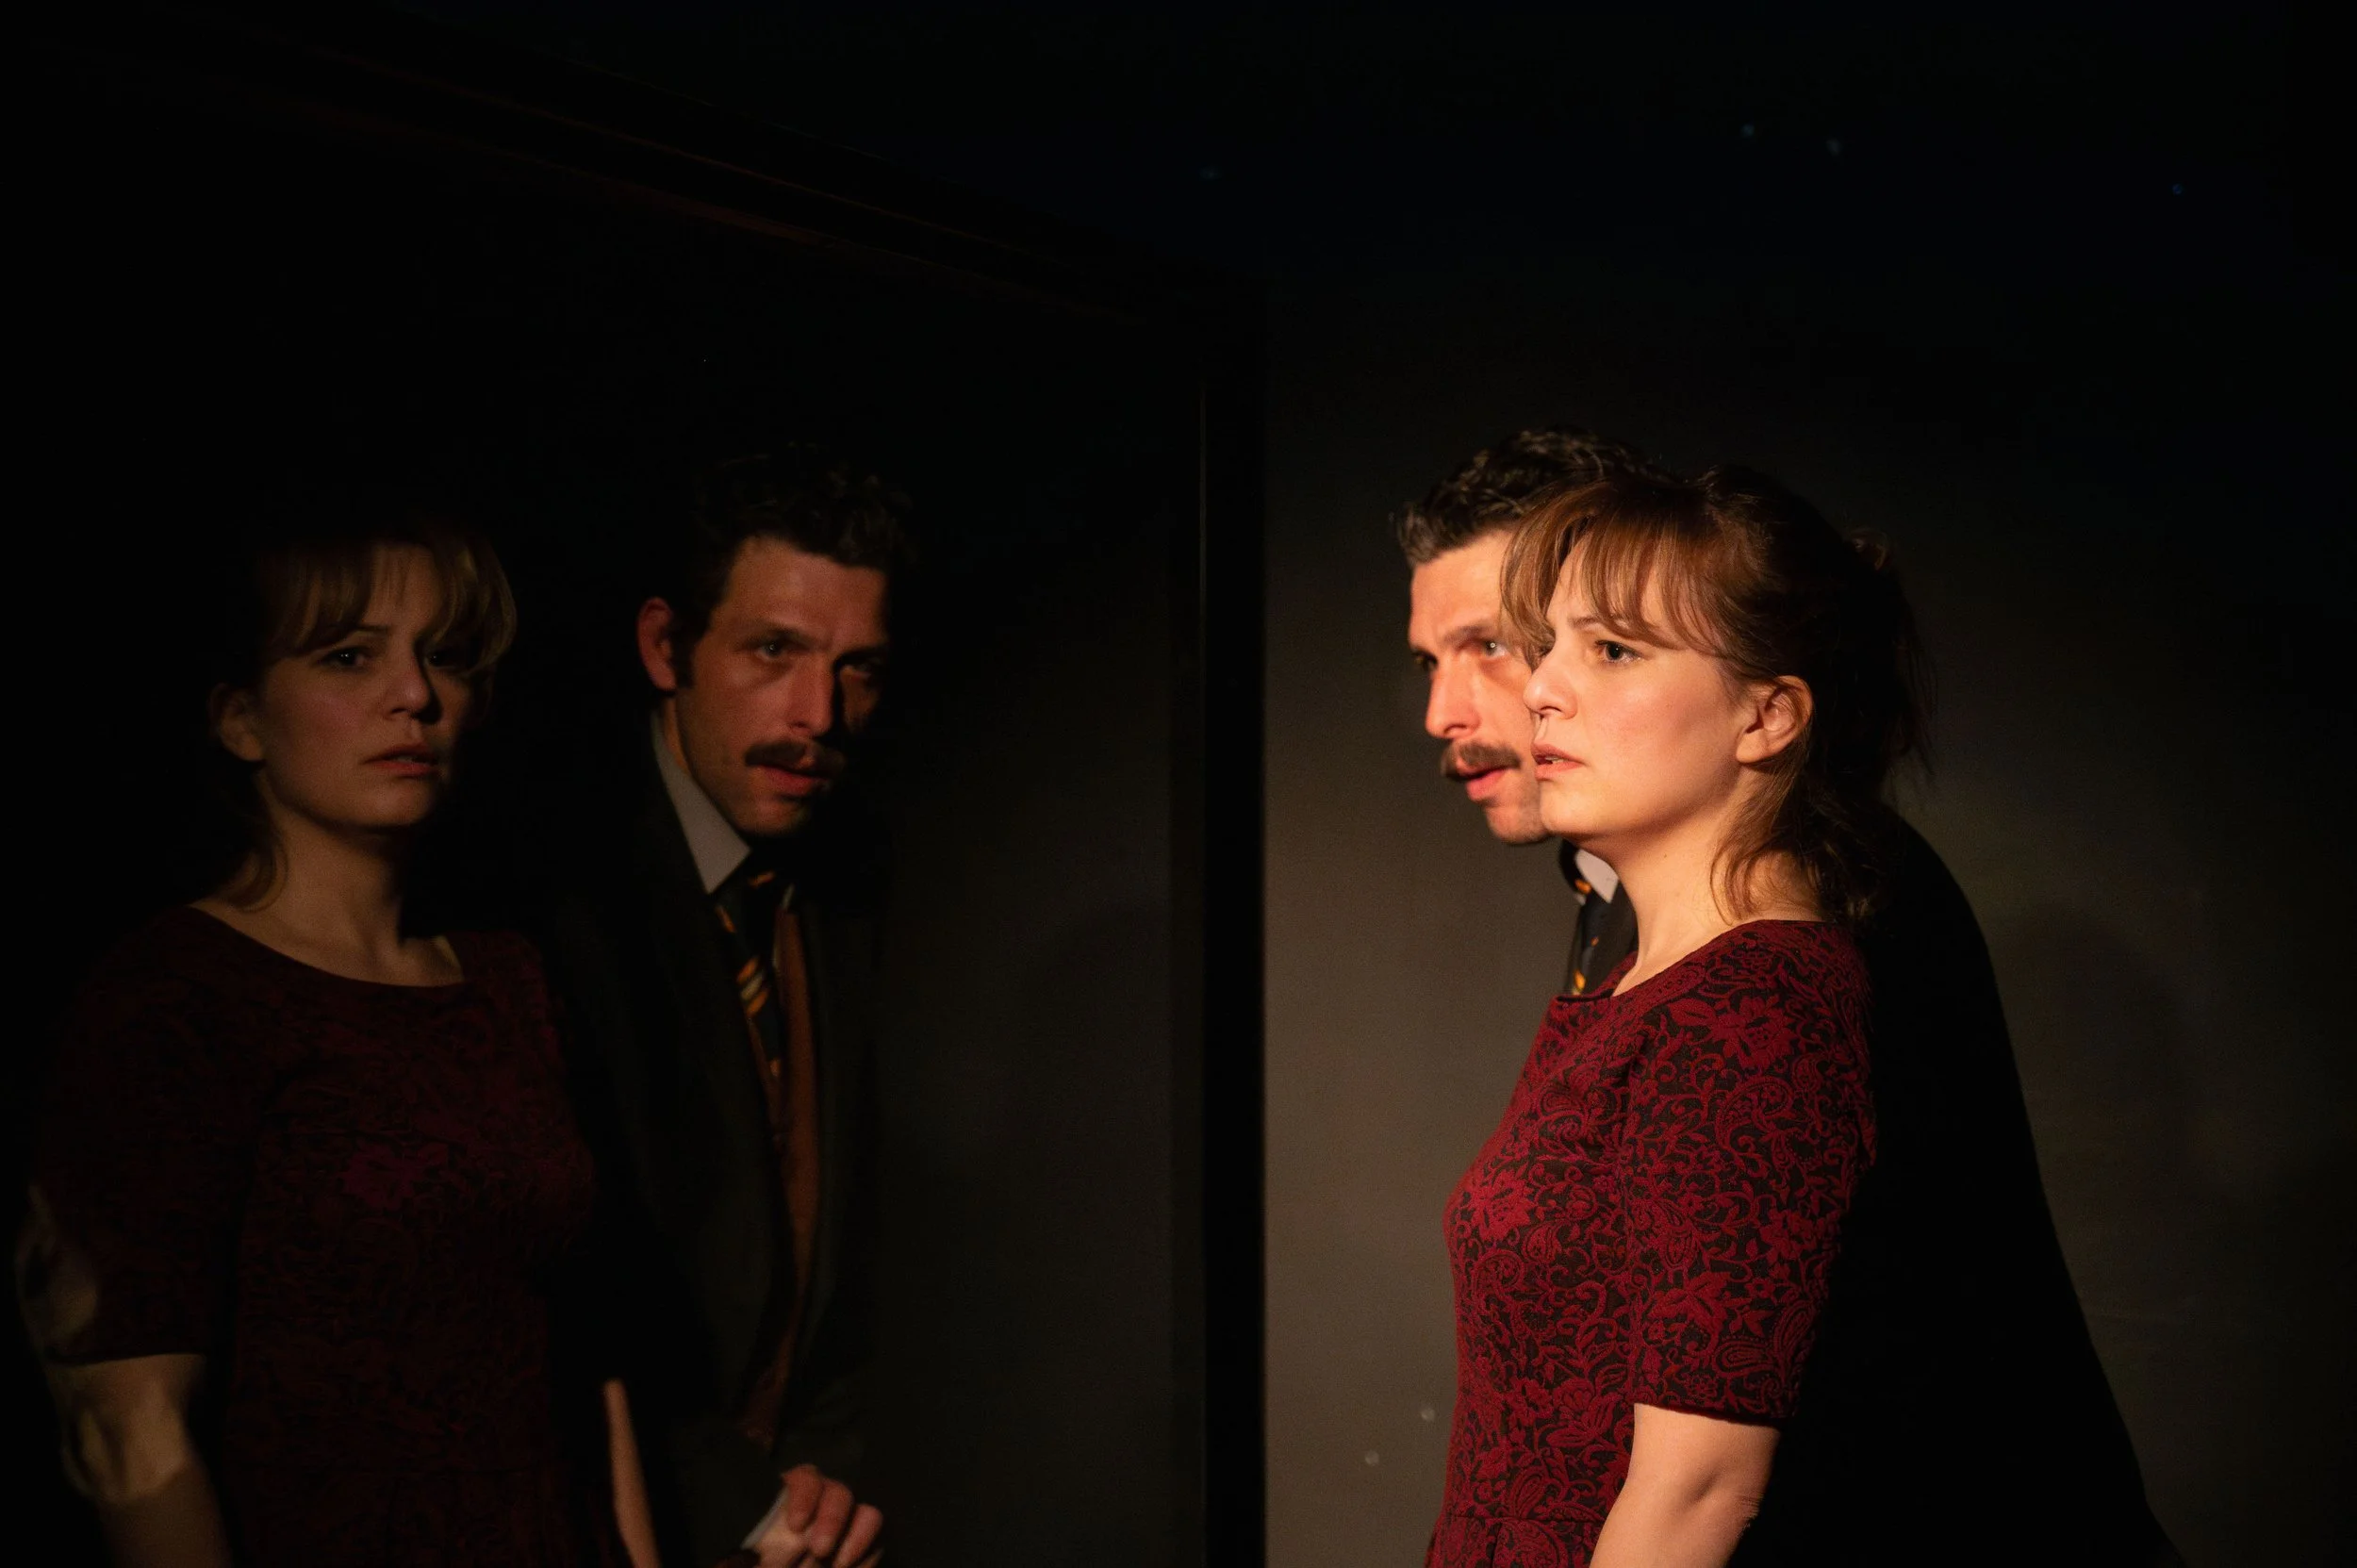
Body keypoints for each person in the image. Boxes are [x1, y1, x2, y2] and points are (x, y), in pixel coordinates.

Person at [1406, 443, 2175, 1565]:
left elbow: (1745, 1455)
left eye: (1500, 644)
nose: (1514, 694)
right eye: (1534, 643)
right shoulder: (1632, 919)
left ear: (1767, 713)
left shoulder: (1790, 954)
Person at [16, 499, 645, 1564]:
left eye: (443, 656)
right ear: (241, 717)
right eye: (351, 657)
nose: (415, 696)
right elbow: (127, 1434)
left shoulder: (506, 976)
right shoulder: (176, 996)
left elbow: (583, 1351)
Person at [533, 448, 896, 1568]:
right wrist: (744, 1501)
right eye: (773, 650)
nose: (816, 712)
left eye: (857, 668)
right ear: (663, 648)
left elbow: (842, 1266)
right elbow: (570, 1298)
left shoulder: (840, 883)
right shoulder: (550, 899)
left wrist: (823, 1495)